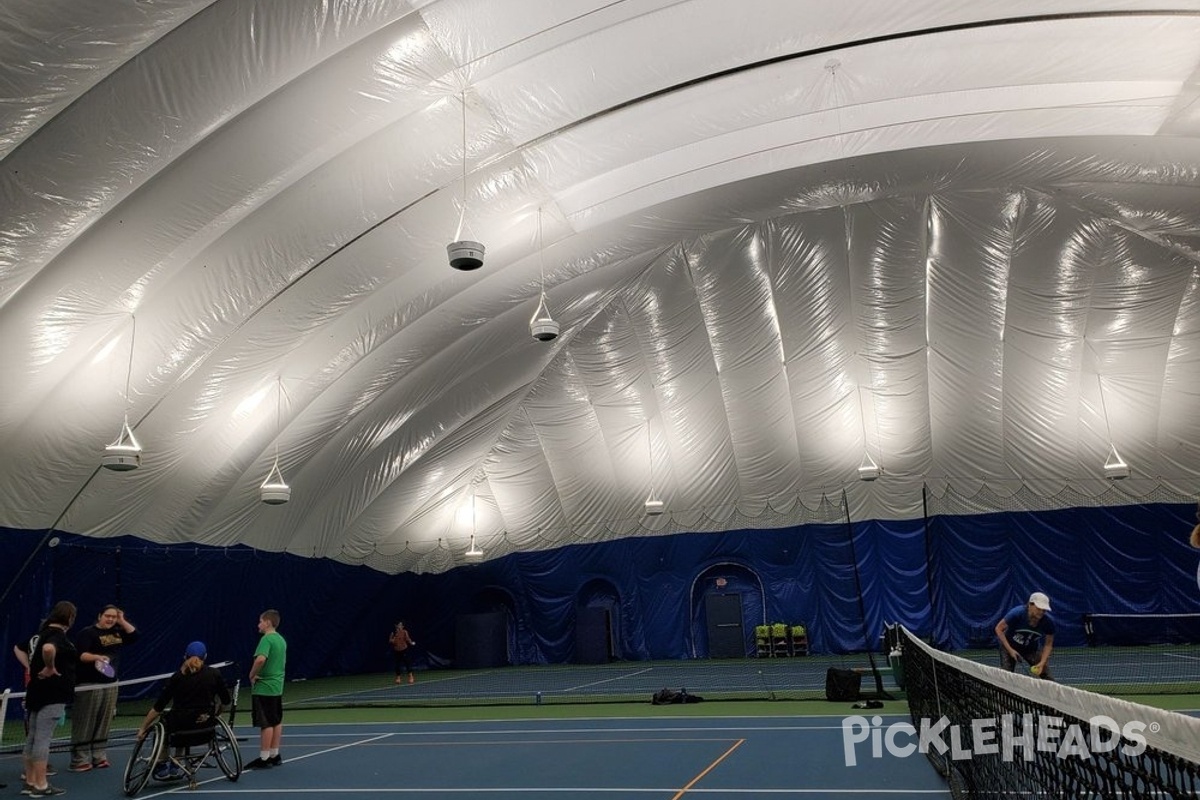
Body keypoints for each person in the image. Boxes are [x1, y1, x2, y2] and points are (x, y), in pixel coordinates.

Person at [136, 641, 232, 781]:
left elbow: (158, 707)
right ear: (205, 656)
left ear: (184, 656)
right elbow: (226, 701)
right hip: (205, 728)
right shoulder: (214, 674)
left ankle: (161, 764)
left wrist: (143, 728)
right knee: (184, 720)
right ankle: (176, 763)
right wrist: (217, 712)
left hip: (180, 728)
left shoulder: (177, 678)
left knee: (165, 724)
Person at [69, 604, 140, 771]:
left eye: (114, 617)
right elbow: (81, 655)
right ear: (100, 615)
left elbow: (135, 636)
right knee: (84, 722)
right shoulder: (87, 633)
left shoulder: (117, 633)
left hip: (111, 684)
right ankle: (80, 760)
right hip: (89, 684)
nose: (110, 619)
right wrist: (97, 658)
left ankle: (99, 757)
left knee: (104, 722)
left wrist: (122, 620)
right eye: (107, 616)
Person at [22, 600, 78, 797]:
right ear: (70, 618)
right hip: (52, 693)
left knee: (33, 737)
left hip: (36, 692)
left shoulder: (41, 633)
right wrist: (50, 667)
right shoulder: (56, 636)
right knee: (43, 739)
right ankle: (41, 785)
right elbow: (48, 649)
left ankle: (30, 781)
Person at [245, 609, 287, 770]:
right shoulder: (281, 640)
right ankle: (275, 754)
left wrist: (252, 674)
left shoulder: (266, 639)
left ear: (268, 622)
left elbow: (261, 659)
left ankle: (264, 758)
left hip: (264, 688)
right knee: (276, 720)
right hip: (277, 687)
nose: (258, 624)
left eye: (260, 621)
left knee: (266, 723)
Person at [995, 591, 1056, 680]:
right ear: (1030, 605)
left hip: (1030, 649)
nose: (1041, 612)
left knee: (1047, 677)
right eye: (1039, 608)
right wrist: (1010, 650)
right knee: (1006, 675)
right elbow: (998, 629)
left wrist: (1042, 662)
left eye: (1044, 610)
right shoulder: (1017, 613)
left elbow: (1048, 644)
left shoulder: (1048, 622)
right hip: (1009, 645)